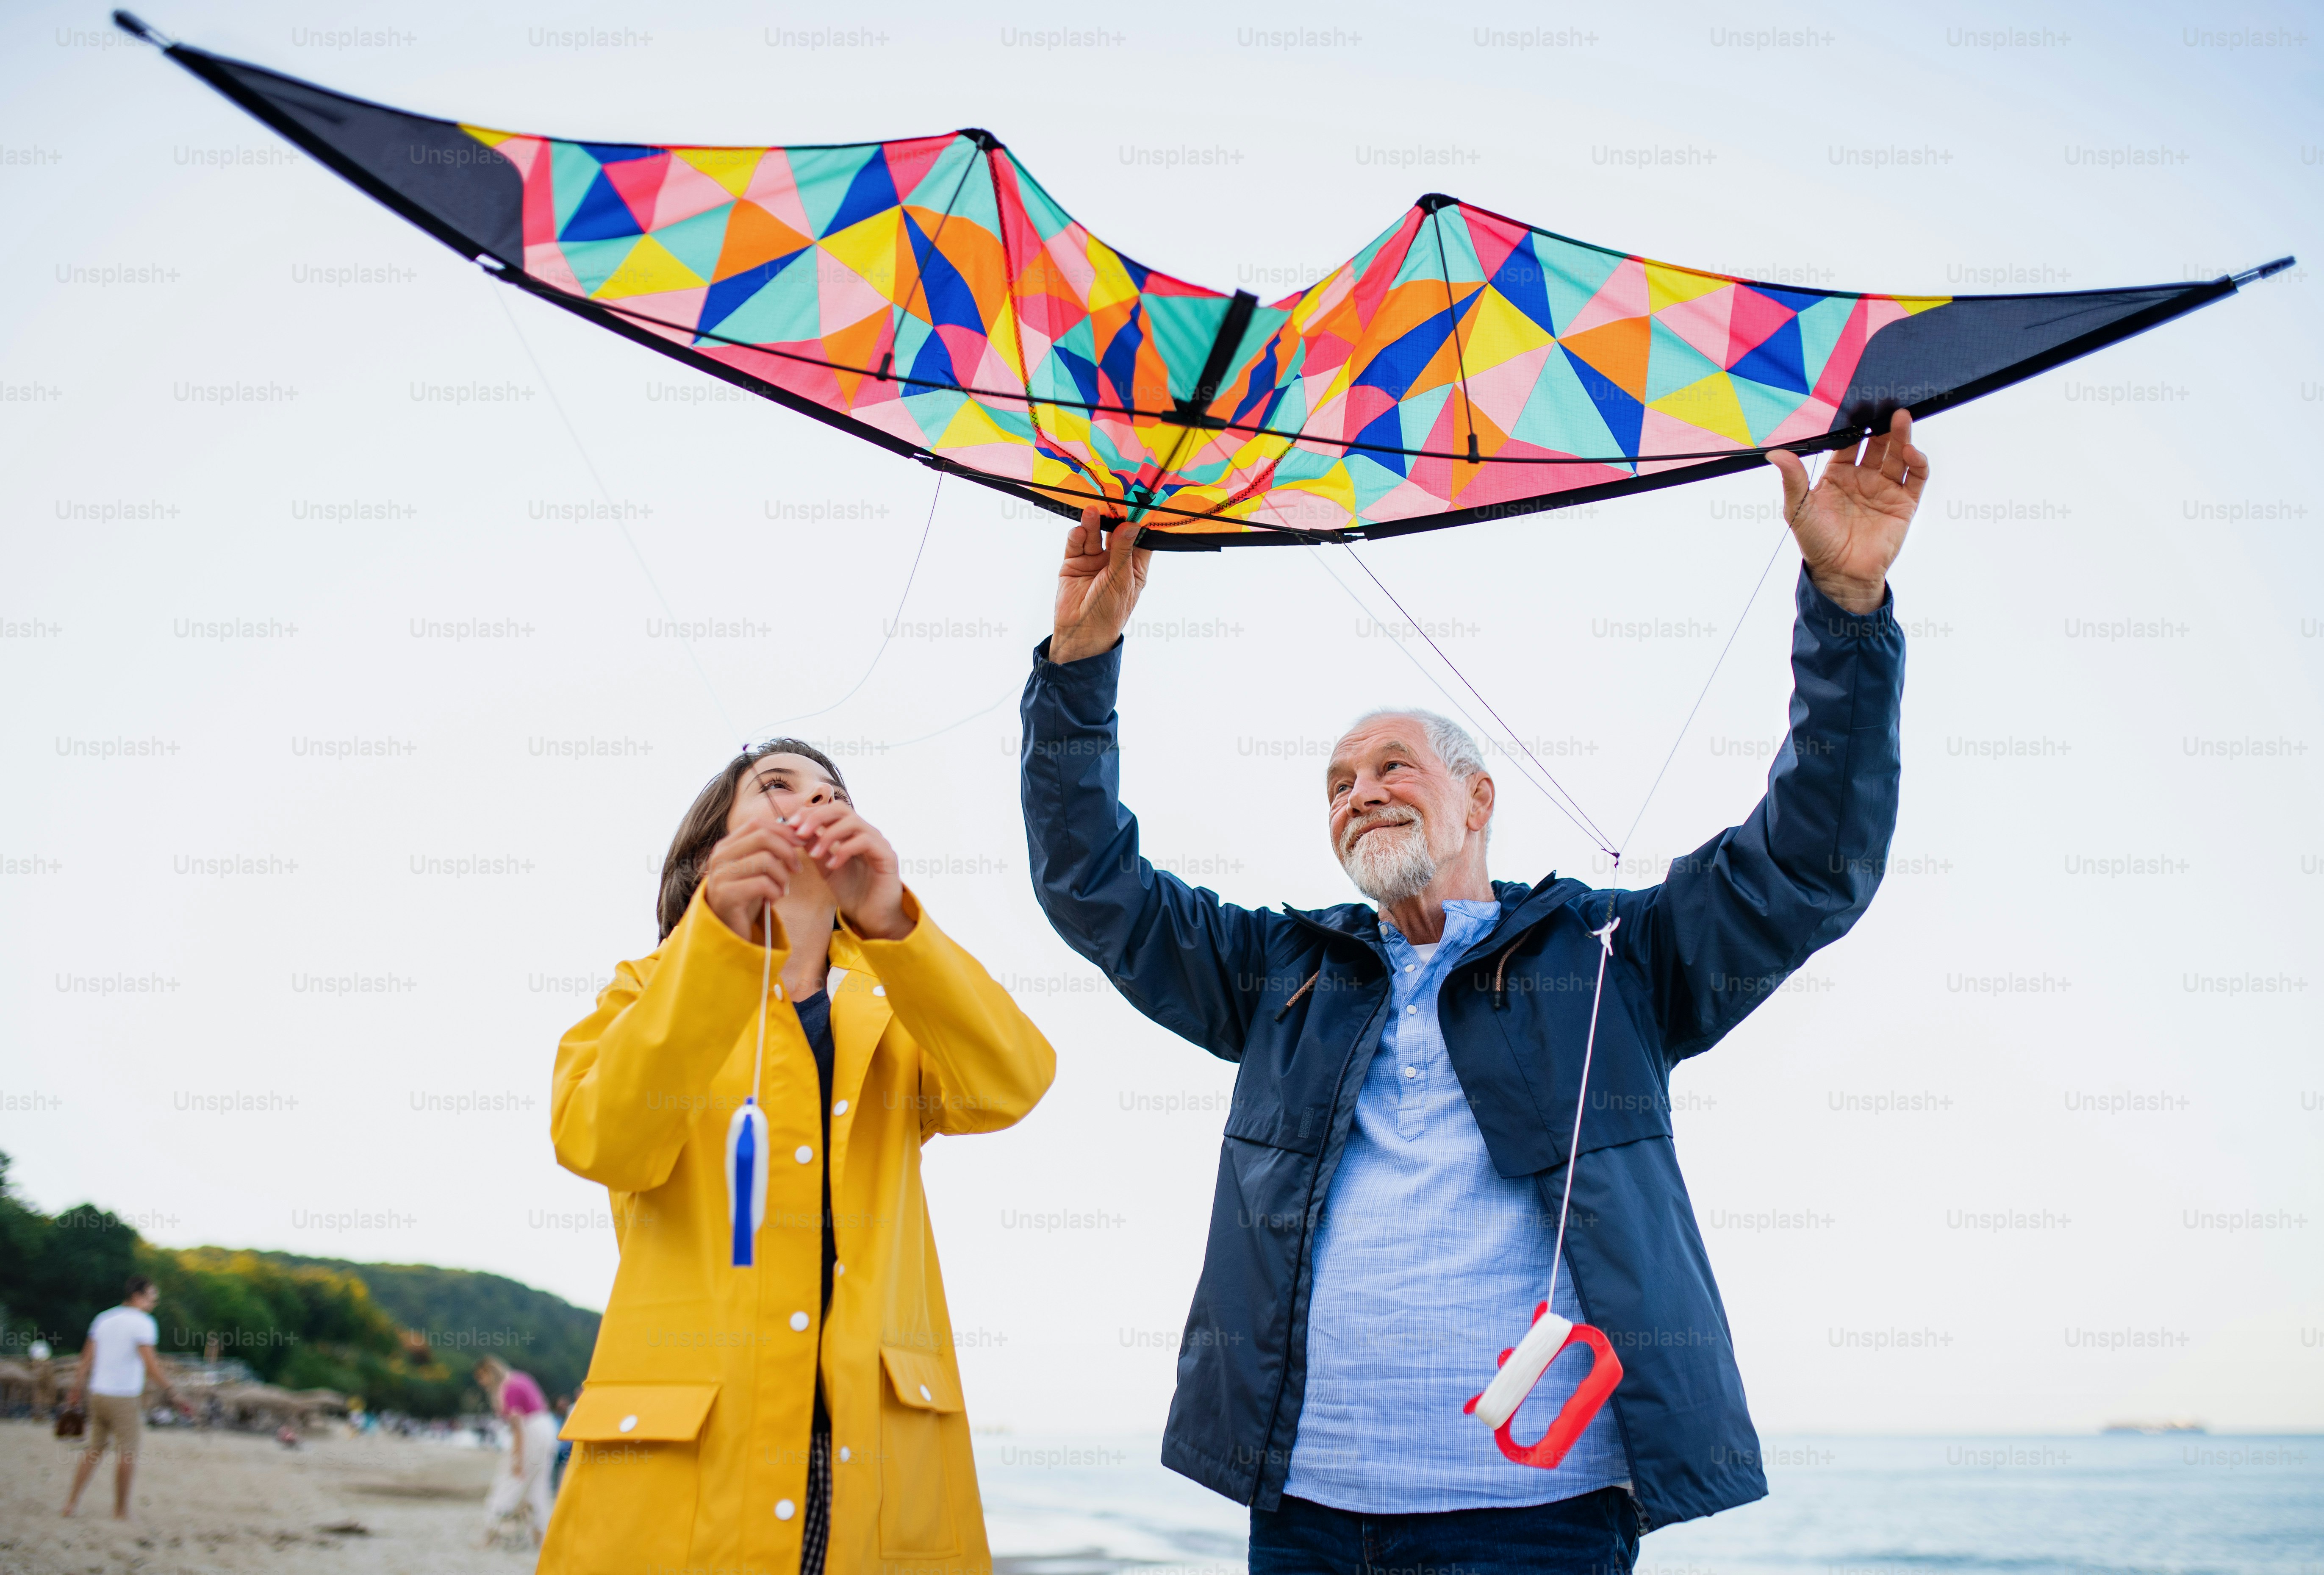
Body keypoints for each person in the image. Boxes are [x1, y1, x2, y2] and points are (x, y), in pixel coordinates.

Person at [1018, 415, 1928, 1572]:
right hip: (1301, 1512)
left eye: (1392, 763)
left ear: (1478, 795)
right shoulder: (1280, 973)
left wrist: (1842, 610)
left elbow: (1809, 863)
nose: (1359, 792)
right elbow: (1090, 883)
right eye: (1337, 781)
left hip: (1536, 1518)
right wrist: (1077, 669)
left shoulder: (1611, 955)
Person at [539, 739, 1056, 1575]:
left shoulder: (895, 1010)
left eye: (832, 793)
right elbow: (601, 1137)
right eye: (777, 785)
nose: (814, 802)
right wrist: (717, 940)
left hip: (872, 1466)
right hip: (696, 1466)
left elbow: (1011, 1081)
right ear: (710, 848)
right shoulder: (642, 990)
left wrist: (892, 921)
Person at [61, 1275, 189, 1519]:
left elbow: (85, 1359)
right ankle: (120, 1510)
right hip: (124, 1397)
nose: (155, 1302)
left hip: (98, 1393)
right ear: (138, 1296)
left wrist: (75, 1390)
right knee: (128, 1453)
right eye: (153, 1297)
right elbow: (151, 1366)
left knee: (94, 1449)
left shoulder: (104, 1318)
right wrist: (173, 1392)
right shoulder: (144, 1323)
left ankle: (71, 1504)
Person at [477, 1356, 557, 1546]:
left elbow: (518, 1428)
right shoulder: (521, 1378)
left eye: (482, 1378)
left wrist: (517, 1461)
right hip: (547, 1428)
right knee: (539, 1484)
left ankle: (490, 1529)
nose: (482, 1383)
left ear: (489, 1373)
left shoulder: (508, 1388)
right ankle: (540, 1535)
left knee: (510, 1480)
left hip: (532, 1431)